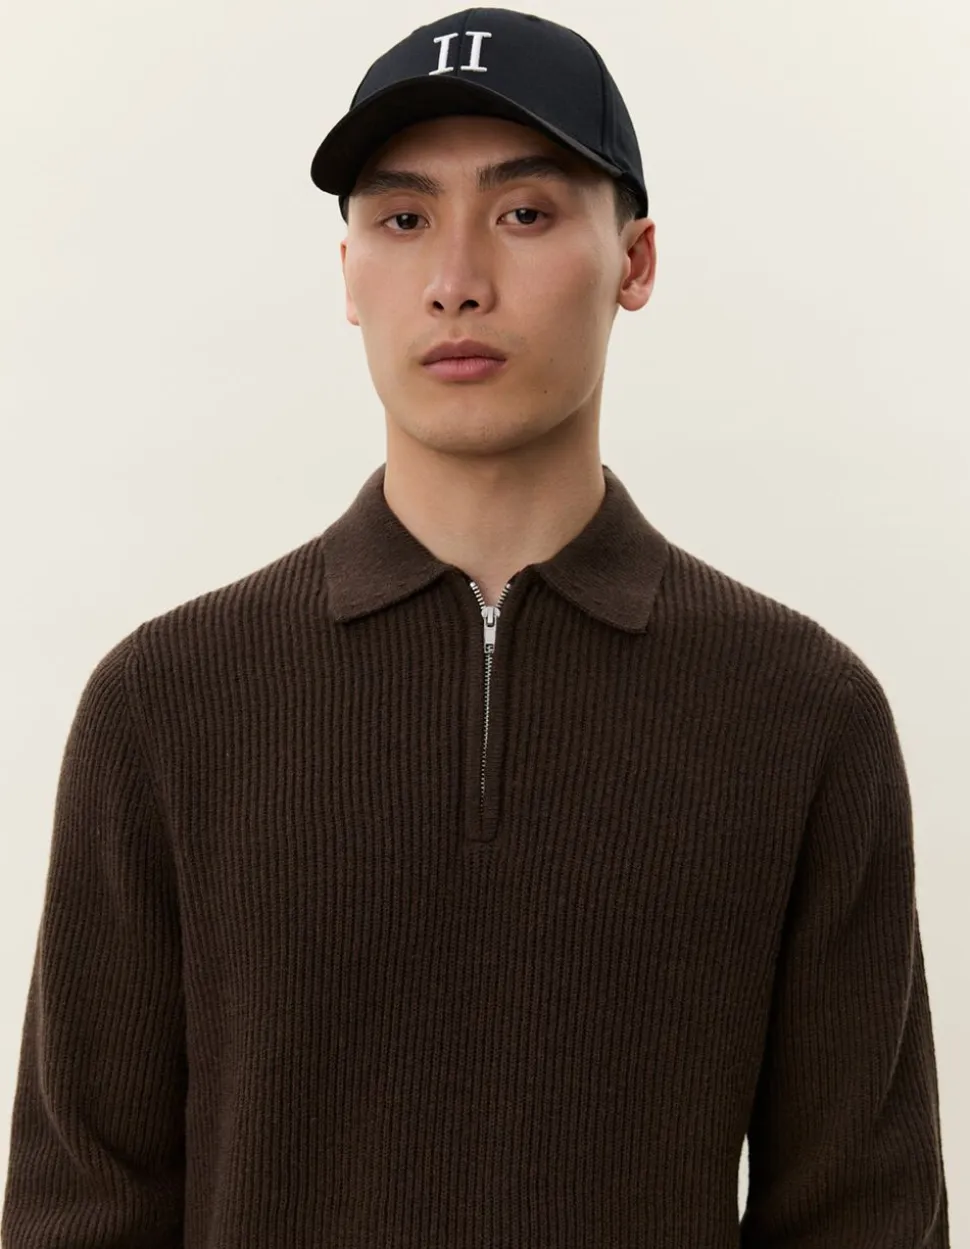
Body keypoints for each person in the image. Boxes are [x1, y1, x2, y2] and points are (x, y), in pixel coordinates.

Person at [1, 7, 950, 1247]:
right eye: (403, 221)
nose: (455, 279)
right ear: (348, 273)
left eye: (525, 213)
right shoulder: (167, 702)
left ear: (636, 261)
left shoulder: (802, 713)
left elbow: (863, 1213)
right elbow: (82, 1206)